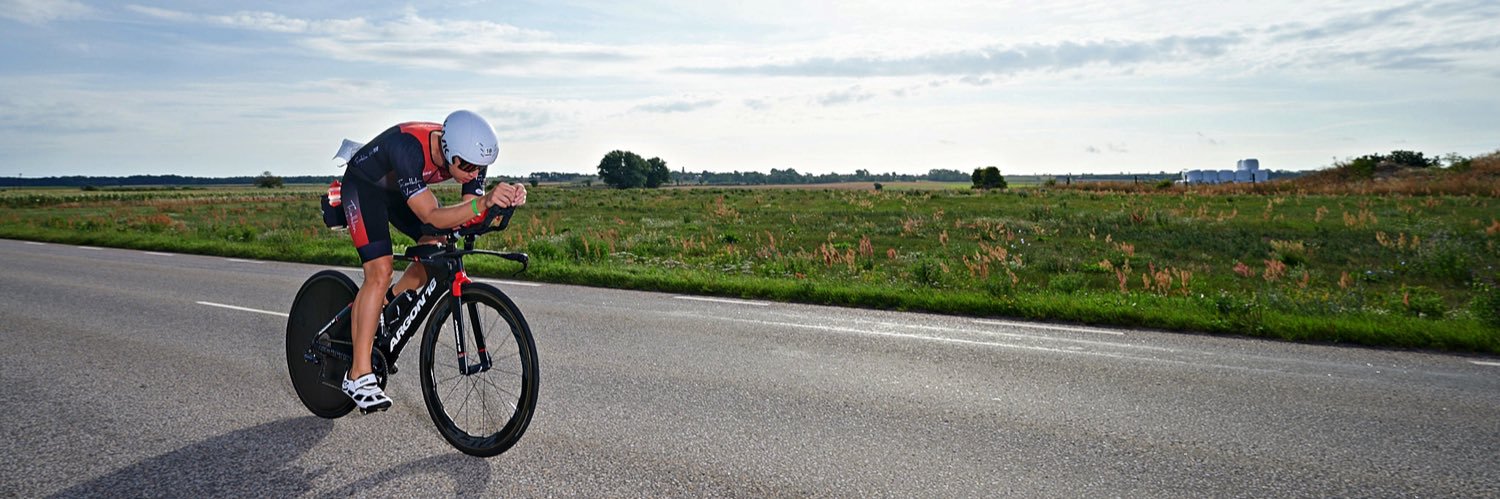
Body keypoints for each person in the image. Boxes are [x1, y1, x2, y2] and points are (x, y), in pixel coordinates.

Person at [338, 110, 527, 413]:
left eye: (479, 168)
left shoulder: (468, 157)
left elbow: (467, 212)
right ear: (448, 150)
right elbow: (431, 215)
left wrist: (501, 201)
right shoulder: (408, 148)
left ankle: (385, 306)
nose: (471, 174)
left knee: (436, 244)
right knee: (380, 270)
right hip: (364, 187)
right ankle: (358, 375)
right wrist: (483, 201)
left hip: (399, 191)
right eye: (465, 166)